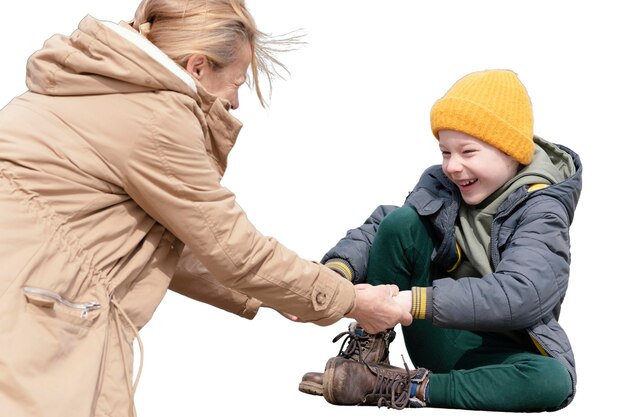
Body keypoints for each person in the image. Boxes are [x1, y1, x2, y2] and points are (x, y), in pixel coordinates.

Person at [0, 1, 411, 416]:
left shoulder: (99, 88)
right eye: (236, 82)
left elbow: (170, 242)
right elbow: (233, 248)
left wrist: (282, 293)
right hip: (31, 325)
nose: (234, 103)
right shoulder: (154, 115)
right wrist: (351, 302)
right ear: (197, 67)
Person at [298, 69, 582, 412]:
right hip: (441, 336)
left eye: (468, 152)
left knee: (552, 380)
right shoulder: (442, 187)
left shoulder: (542, 211)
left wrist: (410, 302)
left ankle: (401, 385)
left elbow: (524, 292)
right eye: (445, 152)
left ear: (510, 151)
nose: (452, 166)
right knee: (401, 222)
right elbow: (381, 229)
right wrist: (335, 273)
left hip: (502, 355)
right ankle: (366, 358)